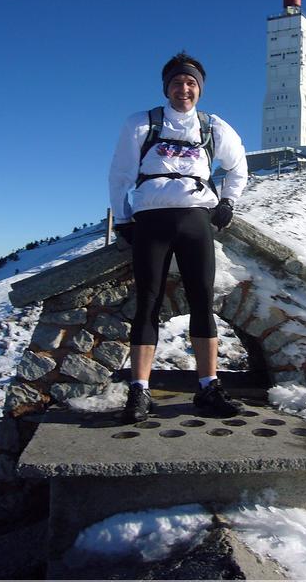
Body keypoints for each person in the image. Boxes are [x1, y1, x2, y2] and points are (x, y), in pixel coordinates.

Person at [109, 52, 248, 423]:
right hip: (150, 222)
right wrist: (122, 217)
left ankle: (208, 387)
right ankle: (139, 391)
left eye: (190, 83)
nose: (183, 89)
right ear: (166, 87)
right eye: (176, 82)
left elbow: (238, 166)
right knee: (148, 303)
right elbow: (120, 174)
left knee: (202, 301)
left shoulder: (213, 126)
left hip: (195, 220)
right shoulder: (140, 124)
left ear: (199, 89)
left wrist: (229, 202)